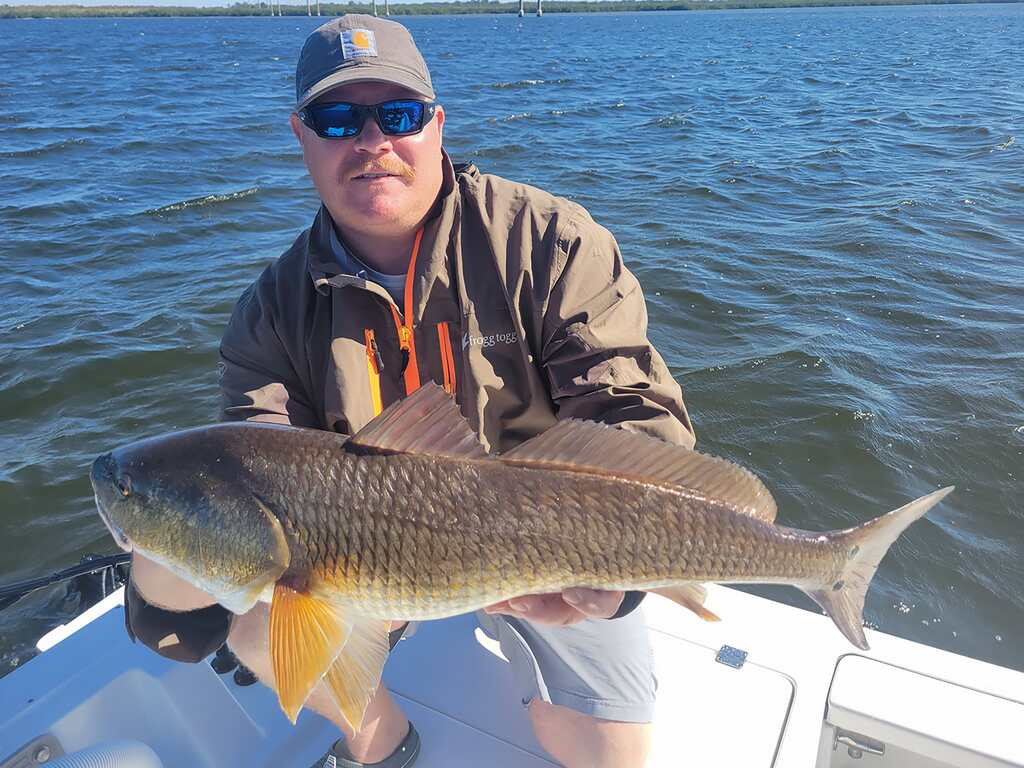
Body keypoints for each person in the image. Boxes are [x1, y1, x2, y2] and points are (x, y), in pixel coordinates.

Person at [126, 14, 694, 768]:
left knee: (604, 755)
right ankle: (381, 747)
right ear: (302, 138)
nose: (370, 142)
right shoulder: (270, 313)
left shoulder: (550, 241)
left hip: (550, 548)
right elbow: (253, 466)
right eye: (337, 119)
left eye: (397, 114)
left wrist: (615, 580)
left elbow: (632, 417)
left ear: (435, 125)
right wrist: (169, 572)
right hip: (366, 559)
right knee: (259, 625)